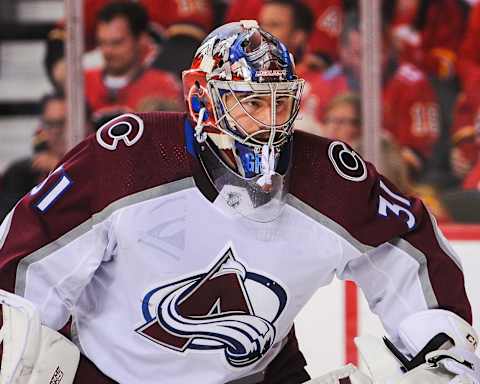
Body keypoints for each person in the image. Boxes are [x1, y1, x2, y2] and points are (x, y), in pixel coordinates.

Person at [0, 21, 479, 384]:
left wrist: (436, 341)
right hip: (107, 374)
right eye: (249, 102)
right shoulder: (128, 159)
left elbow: (408, 240)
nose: (269, 120)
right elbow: (26, 262)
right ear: (203, 99)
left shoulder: (329, 177)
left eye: (279, 101)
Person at [85, 1, 183, 118]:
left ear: (141, 40)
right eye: (102, 42)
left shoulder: (164, 86)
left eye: (117, 43)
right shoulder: (81, 83)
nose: (107, 51)